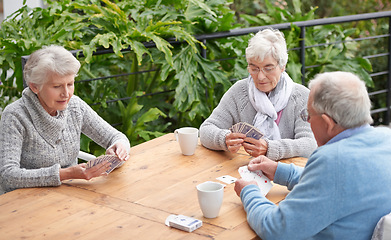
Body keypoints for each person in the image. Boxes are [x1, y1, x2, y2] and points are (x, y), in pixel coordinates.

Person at [234, 71, 391, 239]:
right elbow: (339, 186)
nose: (307, 121)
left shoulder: (332, 160)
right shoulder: (385, 138)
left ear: (327, 123)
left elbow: (276, 229)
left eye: (308, 115)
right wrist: (280, 171)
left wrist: (249, 191)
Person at [0, 45, 131, 194]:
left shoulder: (75, 106)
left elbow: (117, 137)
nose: (66, 93)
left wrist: (119, 147)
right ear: (35, 87)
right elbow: (8, 175)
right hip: (22, 202)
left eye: (70, 84)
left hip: (70, 195)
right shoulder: (15, 115)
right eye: (57, 86)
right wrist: (66, 174)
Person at [199, 28, 317, 160]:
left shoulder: (302, 97)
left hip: (288, 174)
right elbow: (206, 129)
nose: (260, 76)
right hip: (244, 171)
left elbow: (310, 144)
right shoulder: (239, 91)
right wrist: (224, 139)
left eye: (268, 68)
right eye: (254, 68)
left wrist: (271, 148)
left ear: (282, 66)